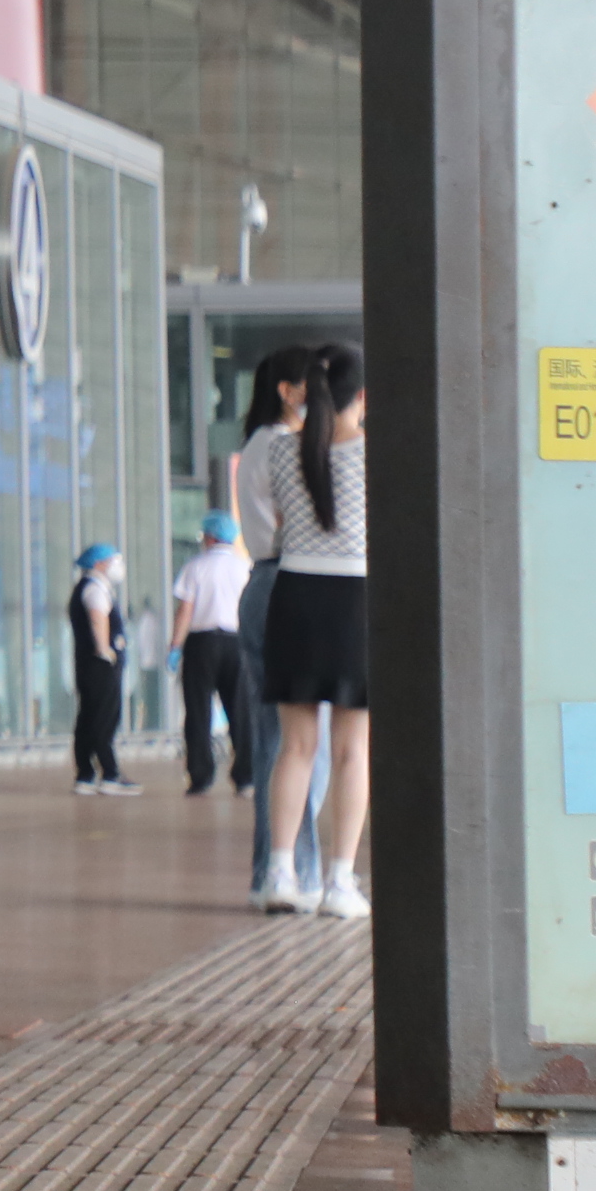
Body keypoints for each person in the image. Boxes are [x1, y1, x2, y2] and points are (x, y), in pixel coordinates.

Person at [252, 342, 372, 917]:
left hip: (295, 595)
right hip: (355, 600)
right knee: (352, 749)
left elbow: (279, 516)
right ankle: (340, 883)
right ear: (363, 399)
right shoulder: (377, 456)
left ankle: (280, 872)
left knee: (295, 747)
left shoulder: (281, 452)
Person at [229, 347, 318, 893]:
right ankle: (296, 871)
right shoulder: (285, 445)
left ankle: (275, 869)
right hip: (291, 580)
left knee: (276, 741)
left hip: (262, 581)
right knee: (303, 743)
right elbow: (305, 517)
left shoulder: (258, 442)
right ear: (286, 390)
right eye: (312, 386)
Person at [170, 508, 252, 797]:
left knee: (198, 711)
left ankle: (201, 776)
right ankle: (245, 777)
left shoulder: (196, 566)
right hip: (237, 643)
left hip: (201, 643)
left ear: (210, 537)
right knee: (240, 710)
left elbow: (185, 611)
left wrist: (175, 647)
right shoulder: (245, 566)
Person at [67, 543, 139, 793]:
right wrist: (105, 650)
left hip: (88, 664)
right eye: (114, 561)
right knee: (104, 717)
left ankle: (85, 774)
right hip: (100, 665)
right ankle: (110, 774)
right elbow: (98, 618)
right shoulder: (95, 589)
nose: (118, 567)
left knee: (89, 717)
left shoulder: (87, 587)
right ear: (99, 564)